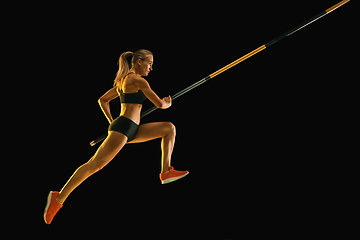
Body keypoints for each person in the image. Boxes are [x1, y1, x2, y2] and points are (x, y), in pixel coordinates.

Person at [44, 49, 189, 224]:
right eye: (150, 63)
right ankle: (58, 198)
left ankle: (165, 171)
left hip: (130, 128)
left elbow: (102, 100)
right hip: (124, 128)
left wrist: (111, 122)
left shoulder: (123, 81)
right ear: (139, 62)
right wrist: (168, 102)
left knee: (169, 128)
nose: (151, 68)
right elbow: (160, 104)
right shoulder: (137, 80)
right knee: (94, 165)